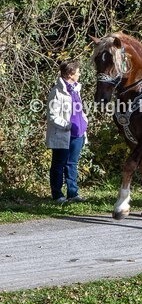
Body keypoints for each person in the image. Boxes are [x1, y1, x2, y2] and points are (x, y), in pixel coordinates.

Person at [46, 61, 88, 204]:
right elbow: (52, 116)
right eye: (77, 72)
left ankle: (73, 193)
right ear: (70, 74)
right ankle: (57, 195)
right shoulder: (57, 92)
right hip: (63, 134)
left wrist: (84, 122)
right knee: (58, 165)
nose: (79, 74)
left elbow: (79, 110)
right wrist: (69, 126)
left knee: (72, 164)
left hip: (78, 134)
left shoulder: (76, 89)